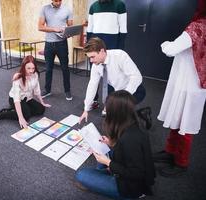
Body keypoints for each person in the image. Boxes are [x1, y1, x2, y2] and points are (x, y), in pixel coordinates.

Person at [154, 0, 206, 177]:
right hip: (196, 83)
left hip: (189, 83)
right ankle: (170, 152)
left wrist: (165, 43)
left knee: (185, 124)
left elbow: (171, 49)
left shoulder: (198, 26)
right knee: (179, 118)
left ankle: (181, 162)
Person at [75, 90, 155, 199]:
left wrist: (108, 162)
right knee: (104, 150)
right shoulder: (132, 123)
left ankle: (105, 176)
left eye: (107, 108)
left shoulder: (130, 139)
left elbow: (136, 174)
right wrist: (111, 142)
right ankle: (104, 173)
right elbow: (125, 149)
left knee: (81, 174)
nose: (104, 110)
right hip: (124, 169)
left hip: (130, 187)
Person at [79, 37, 146, 124]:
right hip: (115, 89)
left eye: (93, 57)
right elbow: (92, 85)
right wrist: (86, 109)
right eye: (89, 58)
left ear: (102, 51)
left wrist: (121, 99)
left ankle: (141, 115)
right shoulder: (96, 65)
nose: (91, 61)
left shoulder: (119, 55)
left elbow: (136, 77)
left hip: (134, 90)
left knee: (120, 117)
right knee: (108, 114)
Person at [87, 0, 128, 110]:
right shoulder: (93, 6)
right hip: (95, 47)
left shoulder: (119, 5)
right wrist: (88, 48)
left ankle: (109, 104)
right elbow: (90, 28)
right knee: (94, 75)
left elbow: (123, 29)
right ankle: (94, 100)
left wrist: (119, 50)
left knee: (111, 76)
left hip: (112, 46)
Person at [0, 55, 51, 128]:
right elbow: (17, 100)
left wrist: (42, 102)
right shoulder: (17, 78)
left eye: (33, 68)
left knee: (41, 109)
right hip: (14, 99)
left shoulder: (35, 74)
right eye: (28, 68)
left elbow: (37, 89)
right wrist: (20, 118)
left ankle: (16, 110)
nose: (31, 71)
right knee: (25, 116)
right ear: (23, 67)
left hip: (27, 98)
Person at [38, 0, 73, 101]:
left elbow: (70, 26)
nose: (58, 3)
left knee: (65, 69)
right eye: (56, 1)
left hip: (62, 44)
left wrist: (69, 32)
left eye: (60, 0)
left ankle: (67, 90)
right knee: (48, 69)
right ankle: (47, 90)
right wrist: (54, 29)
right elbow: (40, 27)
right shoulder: (45, 9)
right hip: (49, 44)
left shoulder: (67, 10)